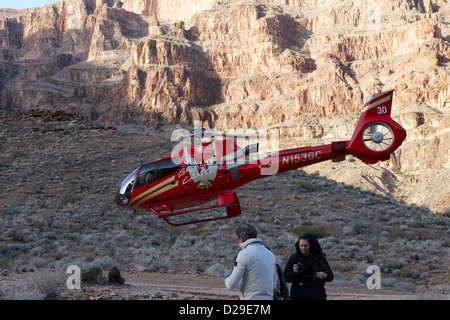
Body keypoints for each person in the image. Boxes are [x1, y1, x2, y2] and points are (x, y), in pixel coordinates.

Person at [224, 224, 278, 300]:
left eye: (238, 239)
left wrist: (228, 275)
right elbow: (273, 285)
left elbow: (231, 285)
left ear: (241, 238)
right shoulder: (270, 254)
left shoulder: (244, 254)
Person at [283, 233, 334, 300]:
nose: (303, 248)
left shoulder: (319, 258)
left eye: (305, 246)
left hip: (316, 295)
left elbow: (331, 276)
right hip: (298, 295)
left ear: (310, 245)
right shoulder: (294, 258)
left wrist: (325, 276)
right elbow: (286, 277)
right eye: (301, 246)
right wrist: (294, 272)